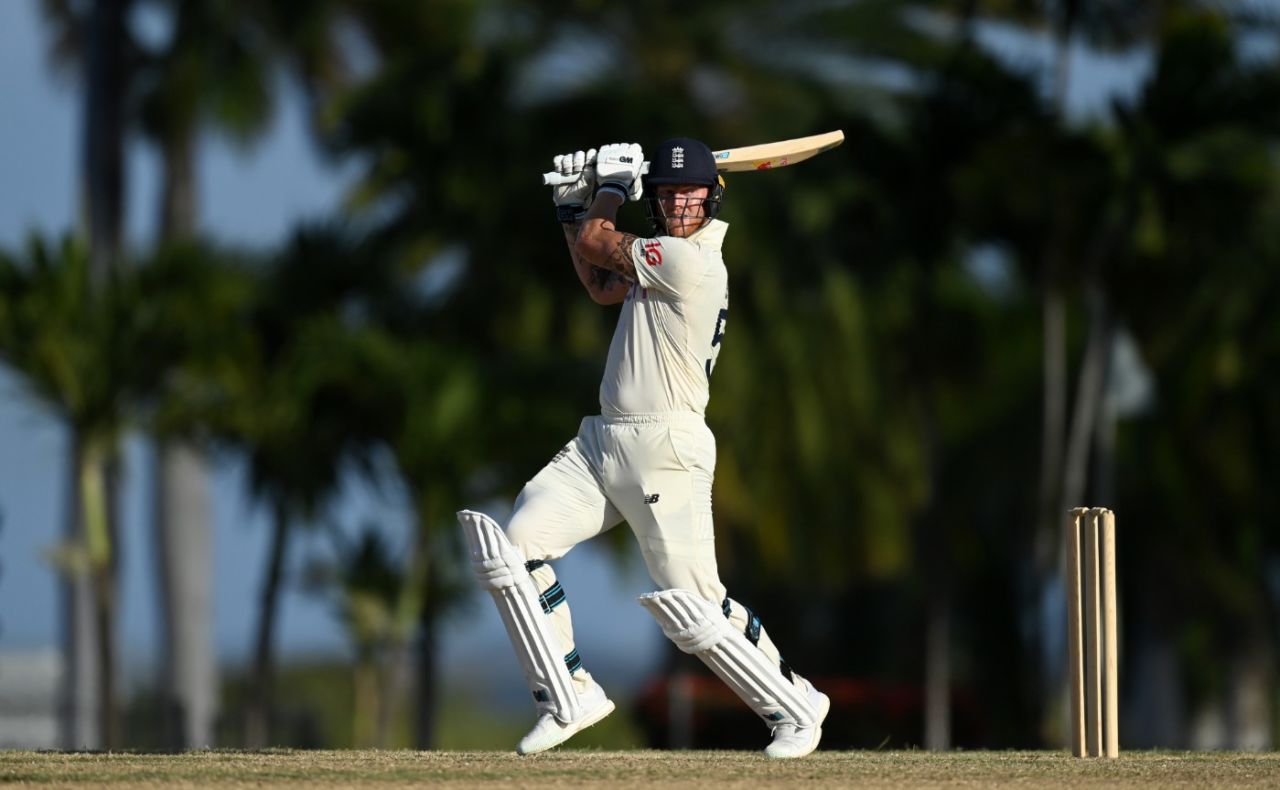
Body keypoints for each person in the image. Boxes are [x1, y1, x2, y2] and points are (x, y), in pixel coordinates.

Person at [458, 138, 828, 758]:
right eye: (667, 192)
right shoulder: (657, 260)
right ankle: (568, 694)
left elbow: (603, 243)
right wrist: (573, 203)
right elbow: (600, 279)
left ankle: (796, 706)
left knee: (694, 607)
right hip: (602, 443)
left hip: (667, 446)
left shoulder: (693, 261)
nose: (680, 202)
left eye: (690, 192)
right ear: (657, 200)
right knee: (514, 548)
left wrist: (609, 189)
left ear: (712, 196)